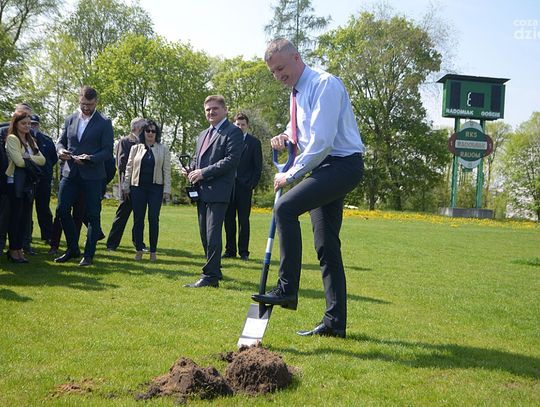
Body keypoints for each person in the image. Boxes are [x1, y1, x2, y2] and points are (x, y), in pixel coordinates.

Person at [251, 39, 365, 338]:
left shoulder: (324, 84)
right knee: (326, 245)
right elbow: (300, 131)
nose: (278, 75)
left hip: (343, 165)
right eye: (273, 72)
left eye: (281, 68)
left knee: (285, 208)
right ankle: (334, 323)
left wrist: (290, 175)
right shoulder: (297, 93)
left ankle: (287, 289)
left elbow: (322, 141)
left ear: (297, 58)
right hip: (325, 168)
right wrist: (284, 137)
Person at [182, 95, 243, 288]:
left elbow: (231, 160)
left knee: (212, 234)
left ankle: (210, 277)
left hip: (219, 191)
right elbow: (198, 159)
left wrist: (203, 172)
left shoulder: (233, 132)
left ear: (225, 110)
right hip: (202, 191)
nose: (211, 112)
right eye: (208, 109)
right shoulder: (202, 134)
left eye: (215, 108)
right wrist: (191, 169)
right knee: (204, 234)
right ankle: (214, 269)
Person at [54, 86, 114, 267]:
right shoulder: (70, 119)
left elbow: (107, 151)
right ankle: (73, 248)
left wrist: (90, 158)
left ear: (96, 102)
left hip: (93, 175)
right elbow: (60, 142)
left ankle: (88, 255)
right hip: (70, 173)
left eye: (90, 104)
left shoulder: (104, 122)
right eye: (83, 104)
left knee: (93, 215)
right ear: (78, 100)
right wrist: (60, 151)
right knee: (62, 210)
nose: (86, 107)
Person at [122, 120, 171, 262]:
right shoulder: (135, 148)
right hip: (138, 188)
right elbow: (129, 168)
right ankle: (138, 250)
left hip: (156, 188)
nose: (150, 133)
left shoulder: (163, 149)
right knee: (138, 219)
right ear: (143, 132)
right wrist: (126, 186)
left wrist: (167, 190)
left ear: (157, 133)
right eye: (147, 131)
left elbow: (167, 171)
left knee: (153, 219)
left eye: (153, 131)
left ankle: (153, 252)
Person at [4, 111, 46, 263]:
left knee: (24, 219)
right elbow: (19, 162)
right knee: (15, 218)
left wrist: (28, 157)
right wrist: (30, 159)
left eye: (29, 123)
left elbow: (43, 160)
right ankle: (13, 250)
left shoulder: (30, 140)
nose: (27, 126)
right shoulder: (12, 138)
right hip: (15, 183)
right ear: (16, 124)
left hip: (28, 183)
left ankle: (19, 249)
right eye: (24, 123)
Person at [223, 112, 262, 261]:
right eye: (237, 124)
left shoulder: (254, 143)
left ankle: (244, 252)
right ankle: (230, 250)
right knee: (228, 219)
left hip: (244, 187)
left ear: (247, 126)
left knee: (243, 221)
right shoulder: (227, 140)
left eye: (243, 124)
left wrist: (251, 184)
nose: (240, 127)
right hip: (228, 186)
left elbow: (257, 167)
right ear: (234, 125)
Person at [106, 117, 147, 251]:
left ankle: (139, 244)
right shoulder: (125, 142)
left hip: (141, 186)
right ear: (136, 128)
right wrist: (125, 186)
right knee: (122, 216)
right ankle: (112, 244)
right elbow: (122, 165)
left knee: (139, 217)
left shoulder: (145, 143)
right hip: (128, 186)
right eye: (144, 127)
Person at [27, 114, 58, 250]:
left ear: (38, 125)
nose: (32, 126)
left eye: (35, 124)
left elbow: (53, 159)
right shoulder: (22, 139)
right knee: (26, 209)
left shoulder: (47, 140)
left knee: (43, 208)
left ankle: (48, 235)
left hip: (44, 179)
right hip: (28, 178)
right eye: (30, 123)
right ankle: (26, 236)